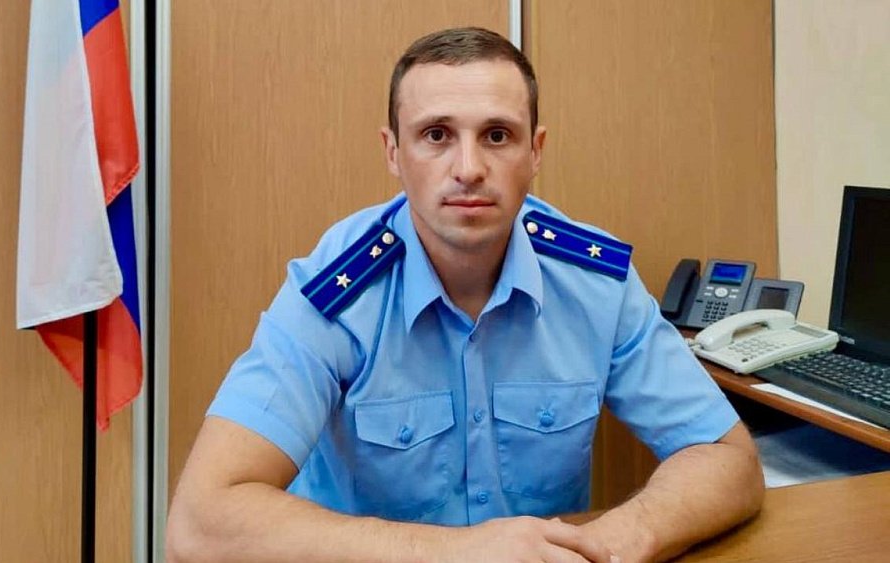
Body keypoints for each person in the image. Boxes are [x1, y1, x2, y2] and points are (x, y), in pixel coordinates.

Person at [166, 27, 764, 563]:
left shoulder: (594, 283)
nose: (469, 167)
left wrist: (617, 541)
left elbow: (728, 458)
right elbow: (200, 523)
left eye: (498, 135)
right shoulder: (336, 294)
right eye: (436, 135)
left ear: (536, 151)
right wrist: (456, 553)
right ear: (393, 152)